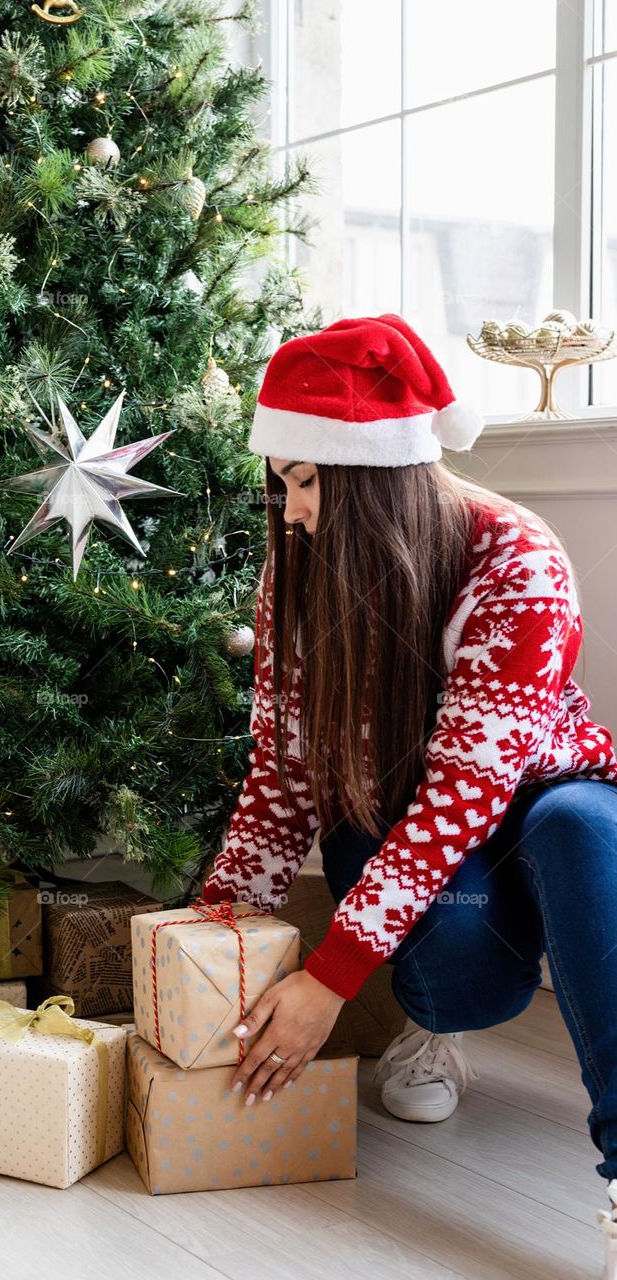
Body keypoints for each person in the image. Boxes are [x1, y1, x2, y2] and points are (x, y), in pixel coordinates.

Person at [198, 312, 617, 1275]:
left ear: (372, 477)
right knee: (388, 852)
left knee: (581, 828)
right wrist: (209, 940)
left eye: (304, 483)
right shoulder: (299, 569)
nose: (290, 511)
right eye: (282, 484)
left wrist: (330, 980)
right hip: (418, 829)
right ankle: (436, 1021)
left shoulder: (521, 564)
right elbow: (282, 774)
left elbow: (467, 796)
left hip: (534, 808)